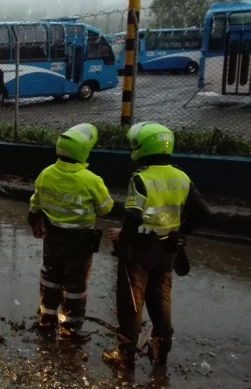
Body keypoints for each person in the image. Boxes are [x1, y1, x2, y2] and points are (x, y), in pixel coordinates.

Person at [102, 122, 209, 370]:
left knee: (131, 303)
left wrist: (122, 235)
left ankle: (125, 356)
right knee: (161, 301)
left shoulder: (141, 178)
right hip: (168, 249)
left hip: (139, 250)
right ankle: (160, 354)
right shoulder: (182, 177)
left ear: (144, 148)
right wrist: (179, 230)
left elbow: (133, 216)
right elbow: (203, 213)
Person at [28, 123, 114, 342]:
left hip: (52, 239)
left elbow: (35, 204)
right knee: (74, 285)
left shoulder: (46, 173)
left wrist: (34, 221)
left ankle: (45, 321)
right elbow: (106, 208)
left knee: (50, 277)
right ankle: (69, 329)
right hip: (79, 243)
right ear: (84, 152)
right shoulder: (91, 180)